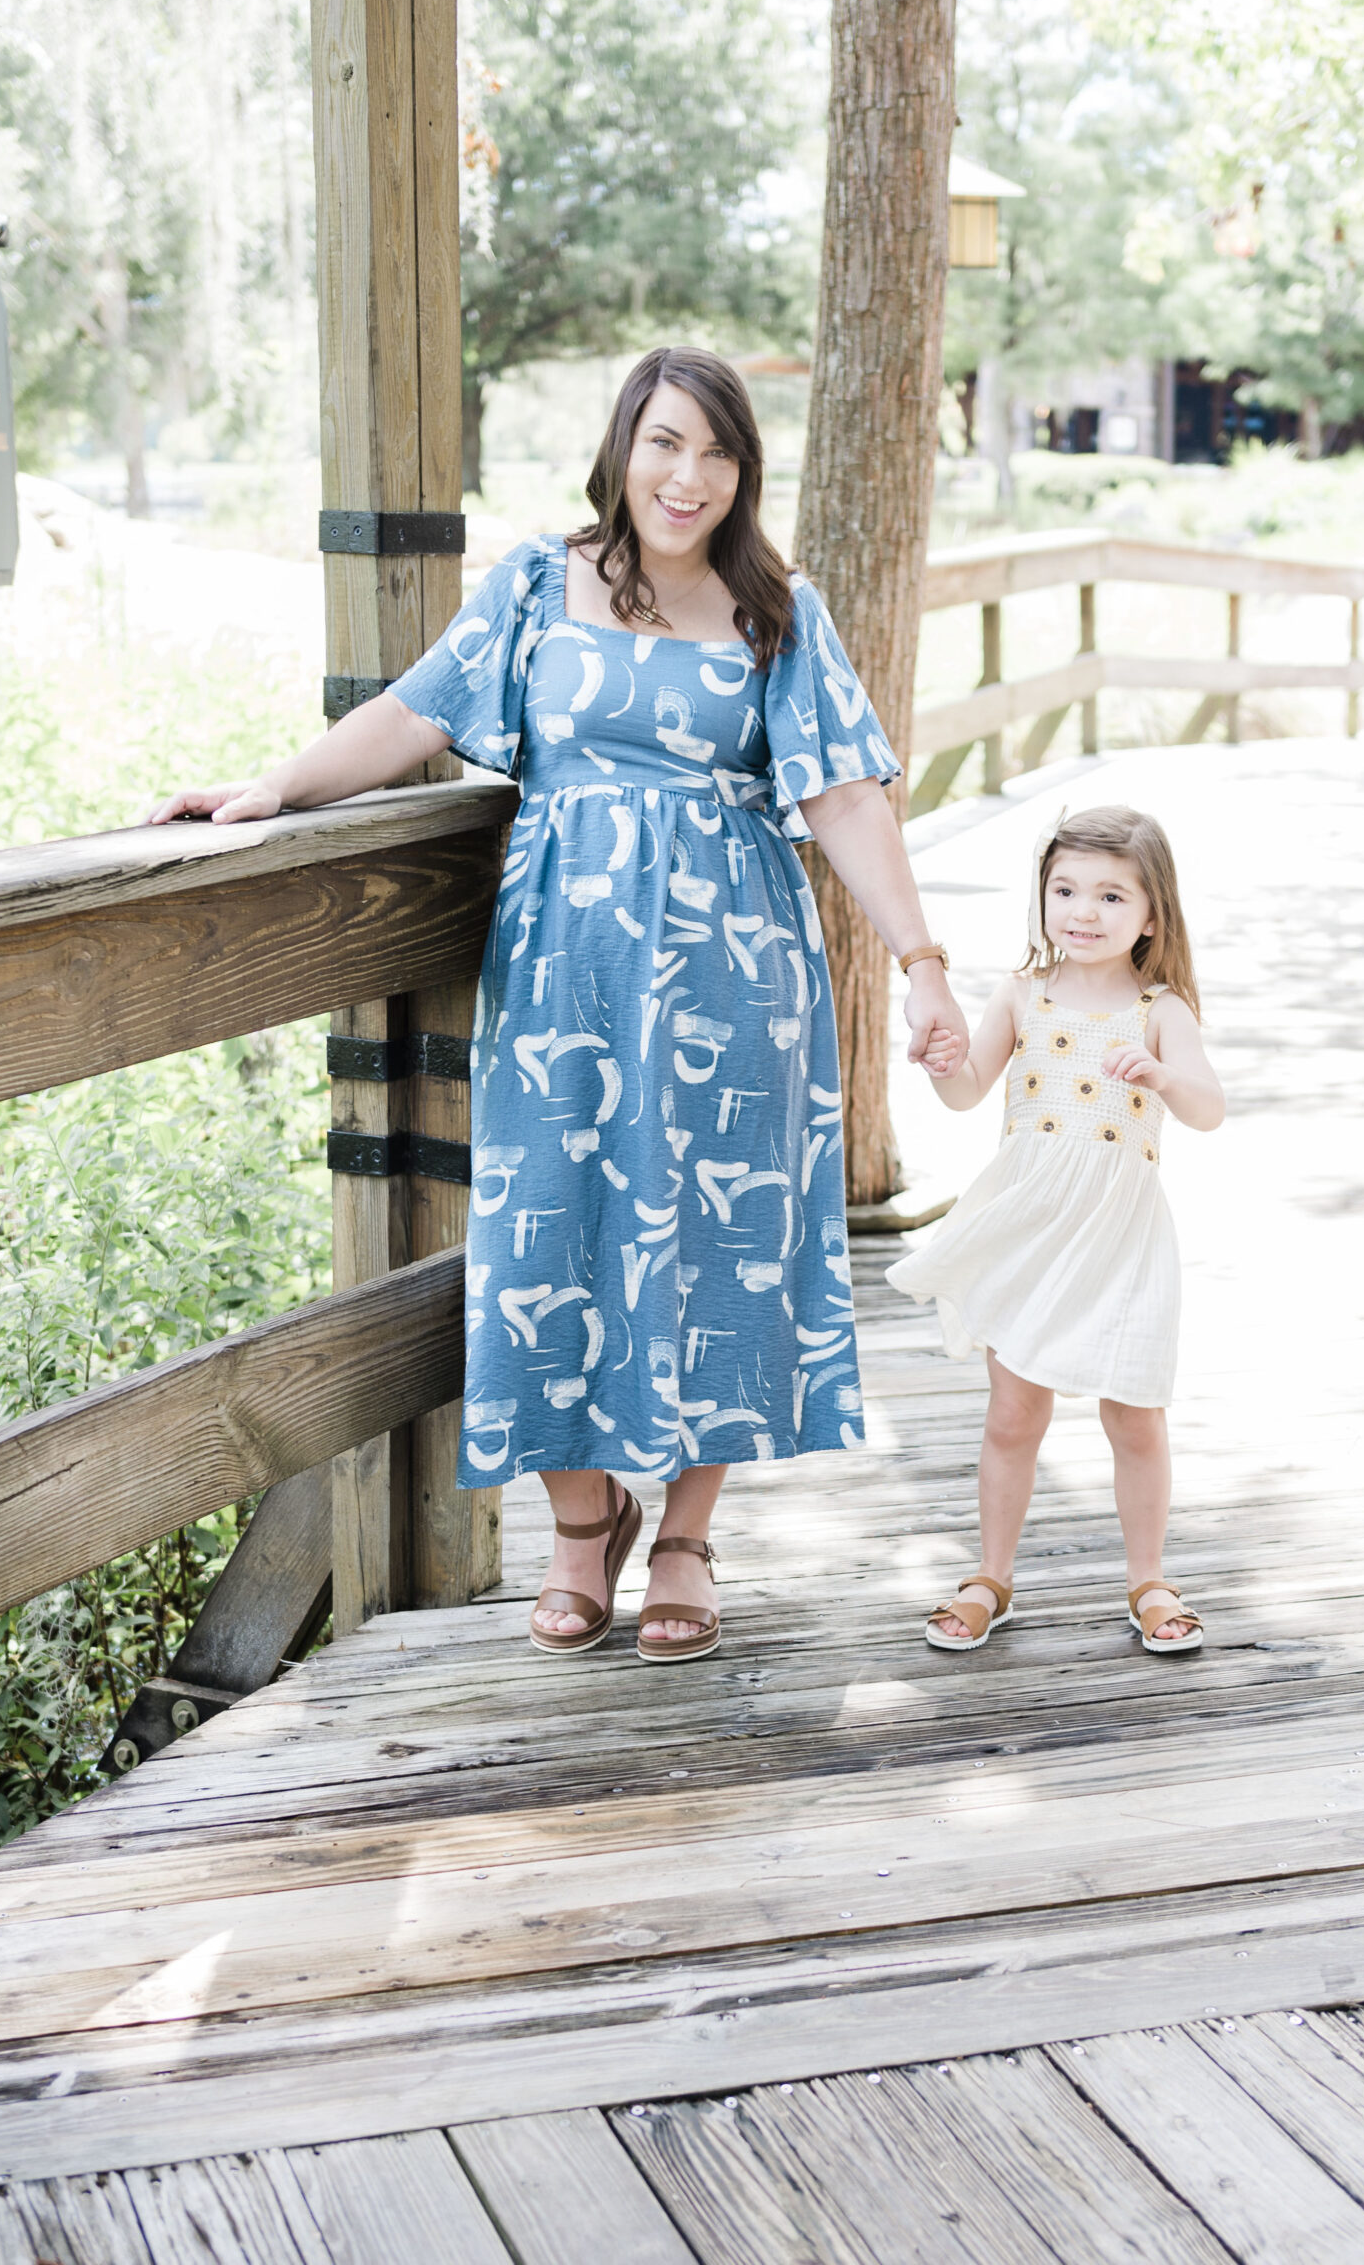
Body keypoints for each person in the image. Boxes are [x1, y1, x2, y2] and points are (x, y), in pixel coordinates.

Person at [148, 345, 968, 1662]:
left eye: (716, 451)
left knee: (716, 1246)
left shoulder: (775, 611)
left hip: (737, 976)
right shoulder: (542, 582)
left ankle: (690, 1534)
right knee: (549, 1238)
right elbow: (419, 711)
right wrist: (275, 790)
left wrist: (923, 961)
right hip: (562, 977)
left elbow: (844, 796)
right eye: (664, 444)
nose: (687, 476)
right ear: (621, 451)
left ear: (744, 473)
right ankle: (585, 1531)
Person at [888, 805, 1224, 1654]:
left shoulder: (1160, 1008)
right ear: (1041, 897)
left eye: (1113, 896)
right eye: (1065, 889)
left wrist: (1164, 1077)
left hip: (1119, 1236)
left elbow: (1210, 1109)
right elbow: (969, 1091)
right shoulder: (1022, 995)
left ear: (1153, 915)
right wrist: (940, 1062)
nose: (1083, 910)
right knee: (1012, 1413)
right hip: (1031, 1230)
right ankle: (991, 1576)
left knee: (1135, 1415)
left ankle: (1148, 1578)